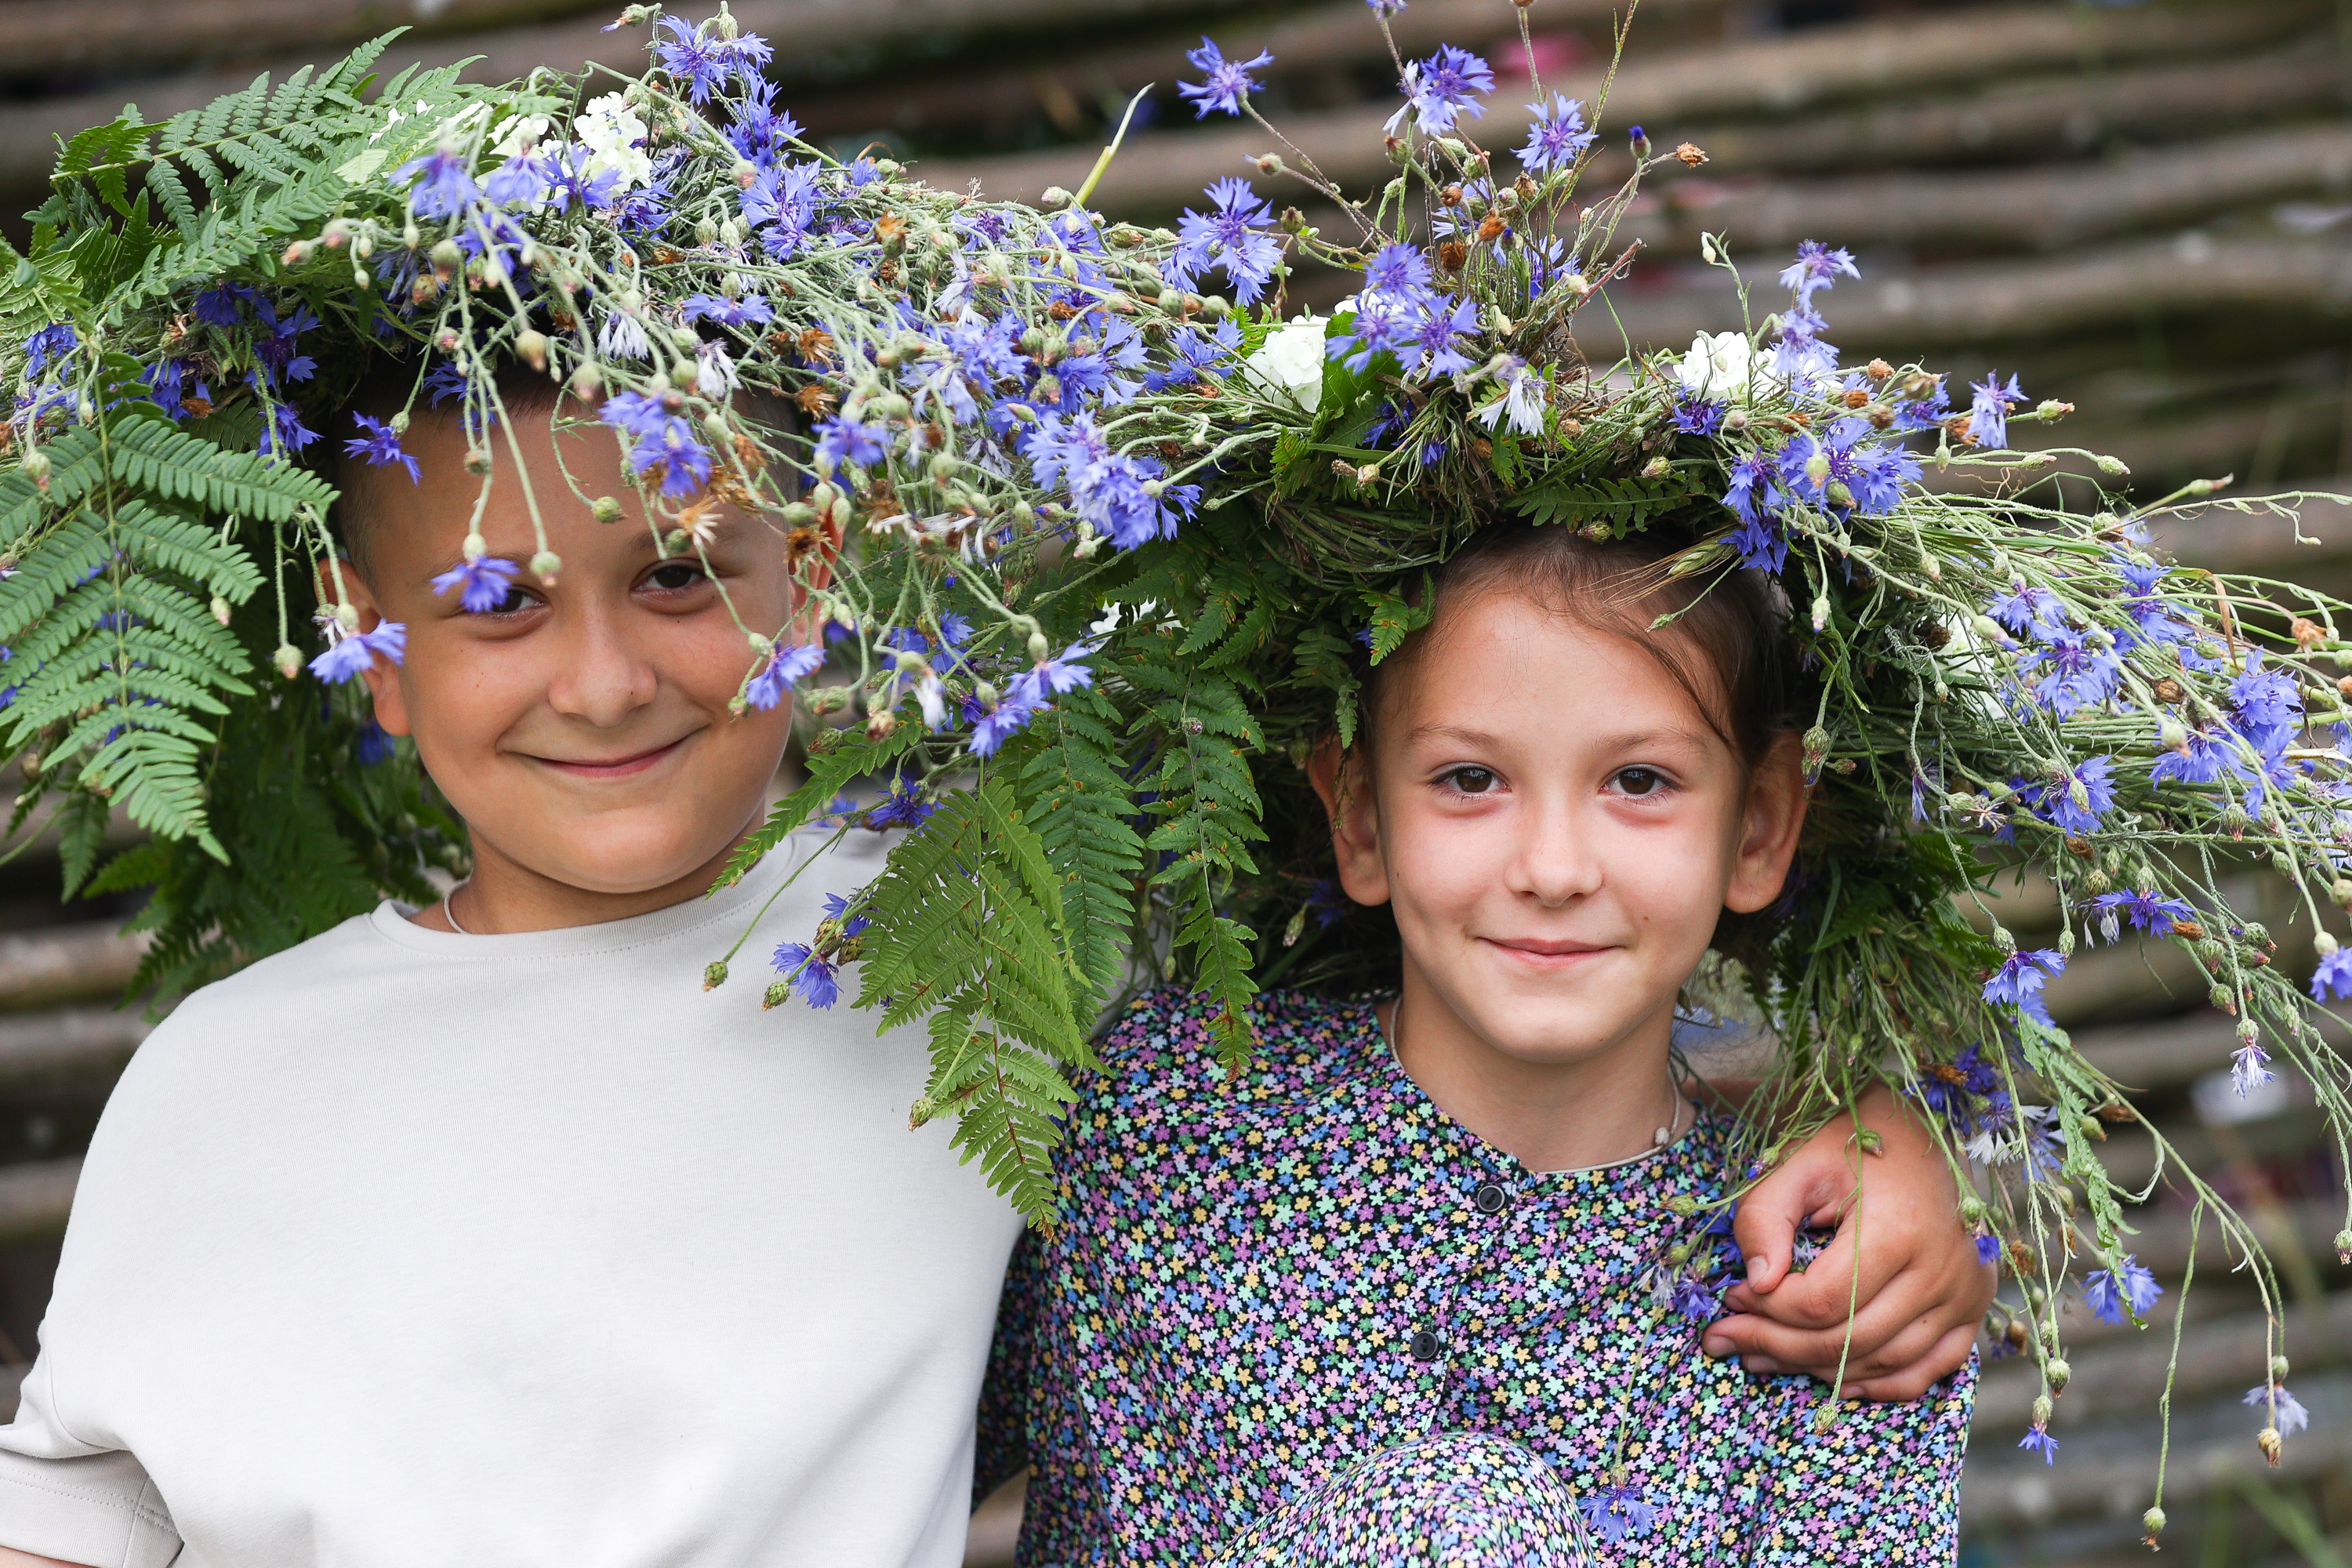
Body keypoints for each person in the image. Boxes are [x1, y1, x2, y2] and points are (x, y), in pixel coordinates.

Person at [0, 383, 1983, 1568]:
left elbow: (1484, 1010)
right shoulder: (229, 1077)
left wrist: (1878, 1116)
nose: (602, 677)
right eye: (496, 602)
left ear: (820, 560)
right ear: (359, 629)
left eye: (681, 569)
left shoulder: (979, 975)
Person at [980, 522, 1980, 1564]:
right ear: (1360, 816)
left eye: (1639, 781)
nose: (1553, 868)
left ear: (1761, 825)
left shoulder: (1831, 1293)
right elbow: (881, 1429)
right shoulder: (1166, 1112)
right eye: (1470, 779)